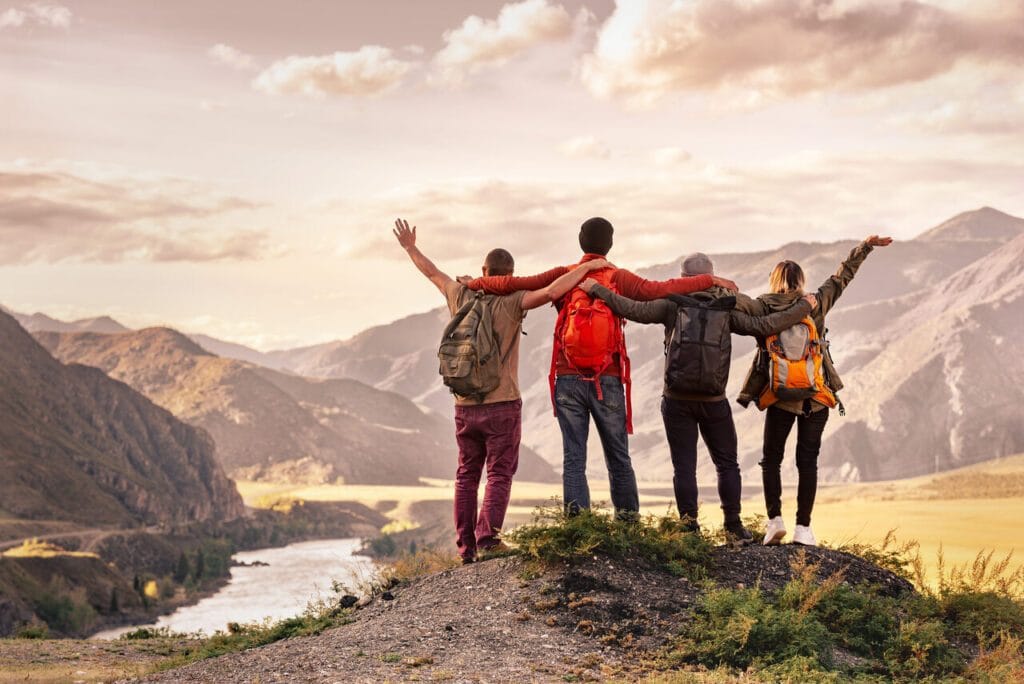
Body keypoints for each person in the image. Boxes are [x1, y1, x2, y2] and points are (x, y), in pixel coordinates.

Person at [460, 218, 739, 520]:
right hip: (608, 378)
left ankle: (578, 527)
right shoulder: (618, 277)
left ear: (581, 242)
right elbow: (663, 288)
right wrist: (709, 280)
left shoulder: (566, 275)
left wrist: (474, 284)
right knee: (618, 456)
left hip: (567, 378)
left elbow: (512, 284)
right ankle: (628, 526)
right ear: (610, 244)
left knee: (574, 460)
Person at [393, 218, 613, 564]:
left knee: (466, 475)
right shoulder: (513, 300)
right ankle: (488, 540)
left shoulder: (459, 294)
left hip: (464, 404)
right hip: (503, 403)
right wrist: (588, 269)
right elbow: (552, 292)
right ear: (510, 275)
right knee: (499, 472)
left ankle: (466, 548)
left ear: (484, 271)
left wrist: (410, 247)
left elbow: (432, 272)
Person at [579, 252, 817, 542]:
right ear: (711, 276)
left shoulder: (672, 304)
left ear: (683, 278)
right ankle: (733, 527)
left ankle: (689, 529)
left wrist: (597, 289)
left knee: (684, 467)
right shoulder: (725, 307)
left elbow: (632, 309)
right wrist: (804, 306)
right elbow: (765, 326)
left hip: (676, 399)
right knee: (727, 464)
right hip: (713, 401)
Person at [737, 235, 894, 546]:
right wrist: (864, 247)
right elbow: (842, 276)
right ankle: (803, 528)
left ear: (774, 280)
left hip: (779, 395)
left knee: (771, 459)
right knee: (807, 462)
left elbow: (737, 307)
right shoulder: (816, 302)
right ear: (800, 281)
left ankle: (775, 521)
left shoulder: (763, 305)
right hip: (816, 397)